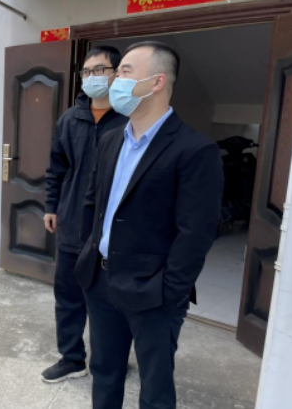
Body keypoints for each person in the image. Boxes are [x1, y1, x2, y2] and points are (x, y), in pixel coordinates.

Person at [75, 41, 223, 409]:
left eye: (125, 72)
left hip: (153, 292)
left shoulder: (195, 150)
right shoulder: (111, 139)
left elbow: (196, 233)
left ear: (157, 82)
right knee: (104, 372)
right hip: (100, 282)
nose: (115, 81)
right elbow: (93, 204)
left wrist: (169, 291)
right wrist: (87, 256)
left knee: (155, 389)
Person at [42, 46, 128, 383]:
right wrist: (51, 206)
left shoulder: (129, 118)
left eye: (100, 70)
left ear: (117, 74)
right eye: (87, 72)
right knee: (68, 296)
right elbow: (56, 168)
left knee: (112, 300)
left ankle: (112, 358)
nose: (92, 77)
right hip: (72, 222)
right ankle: (72, 358)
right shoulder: (70, 119)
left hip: (113, 228)